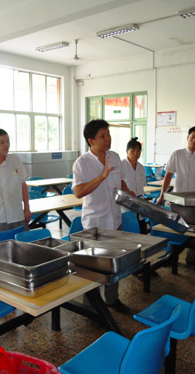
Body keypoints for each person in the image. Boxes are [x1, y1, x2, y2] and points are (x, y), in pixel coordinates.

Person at [72, 119, 135, 314]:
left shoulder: (115, 157)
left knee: (114, 263)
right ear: (91, 140)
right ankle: (91, 305)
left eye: (108, 134)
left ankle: (111, 299)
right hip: (95, 223)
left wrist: (129, 194)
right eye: (103, 136)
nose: (108, 139)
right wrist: (102, 175)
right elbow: (79, 192)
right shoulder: (82, 163)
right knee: (93, 266)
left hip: (115, 219)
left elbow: (121, 182)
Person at [156, 126, 195, 271]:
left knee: (194, 230)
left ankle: (191, 259)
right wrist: (163, 194)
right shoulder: (177, 154)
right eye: (192, 136)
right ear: (187, 137)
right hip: (178, 199)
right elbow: (168, 176)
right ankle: (172, 257)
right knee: (175, 227)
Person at [121, 137, 148, 234]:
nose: (135, 154)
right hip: (125, 205)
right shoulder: (121, 165)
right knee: (129, 232)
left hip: (140, 204)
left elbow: (142, 186)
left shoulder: (141, 167)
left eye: (138, 151)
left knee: (142, 231)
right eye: (132, 151)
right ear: (127, 151)